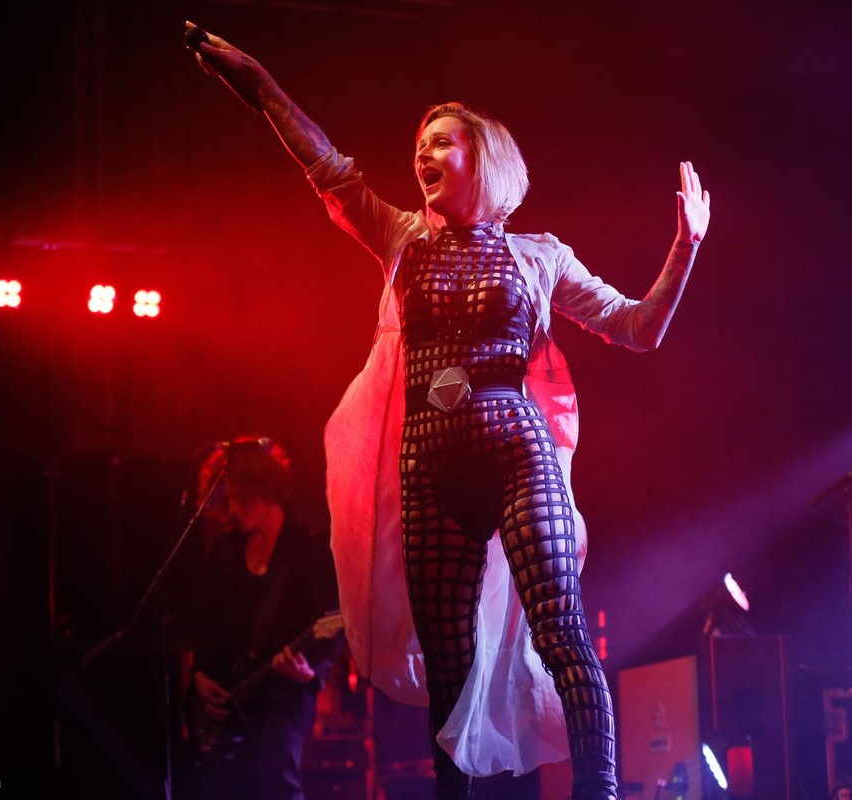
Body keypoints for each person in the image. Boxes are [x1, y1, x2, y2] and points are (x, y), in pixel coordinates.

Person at [185, 23, 711, 800]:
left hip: (517, 454)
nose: (421, 156)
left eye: (439, 142)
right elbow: (325, 166)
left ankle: (598, 792)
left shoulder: (539, 256)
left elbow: (638, 327)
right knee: (450, 670)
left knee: (560, 628)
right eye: (418, 147)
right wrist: (260, 85)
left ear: (481, 157)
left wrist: (685, 247)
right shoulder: (401, 238)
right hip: (430, 471)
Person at [182, 437, 343, 800]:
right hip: (225, 691)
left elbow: (331, 624)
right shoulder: (225, 550)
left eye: (241, 499)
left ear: (265, 493)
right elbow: (205, 620)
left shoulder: (309, 552)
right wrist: (201, 673)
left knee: (274, 778)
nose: (232, 510)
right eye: (229, 499)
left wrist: (310, 671)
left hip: (283, 693)